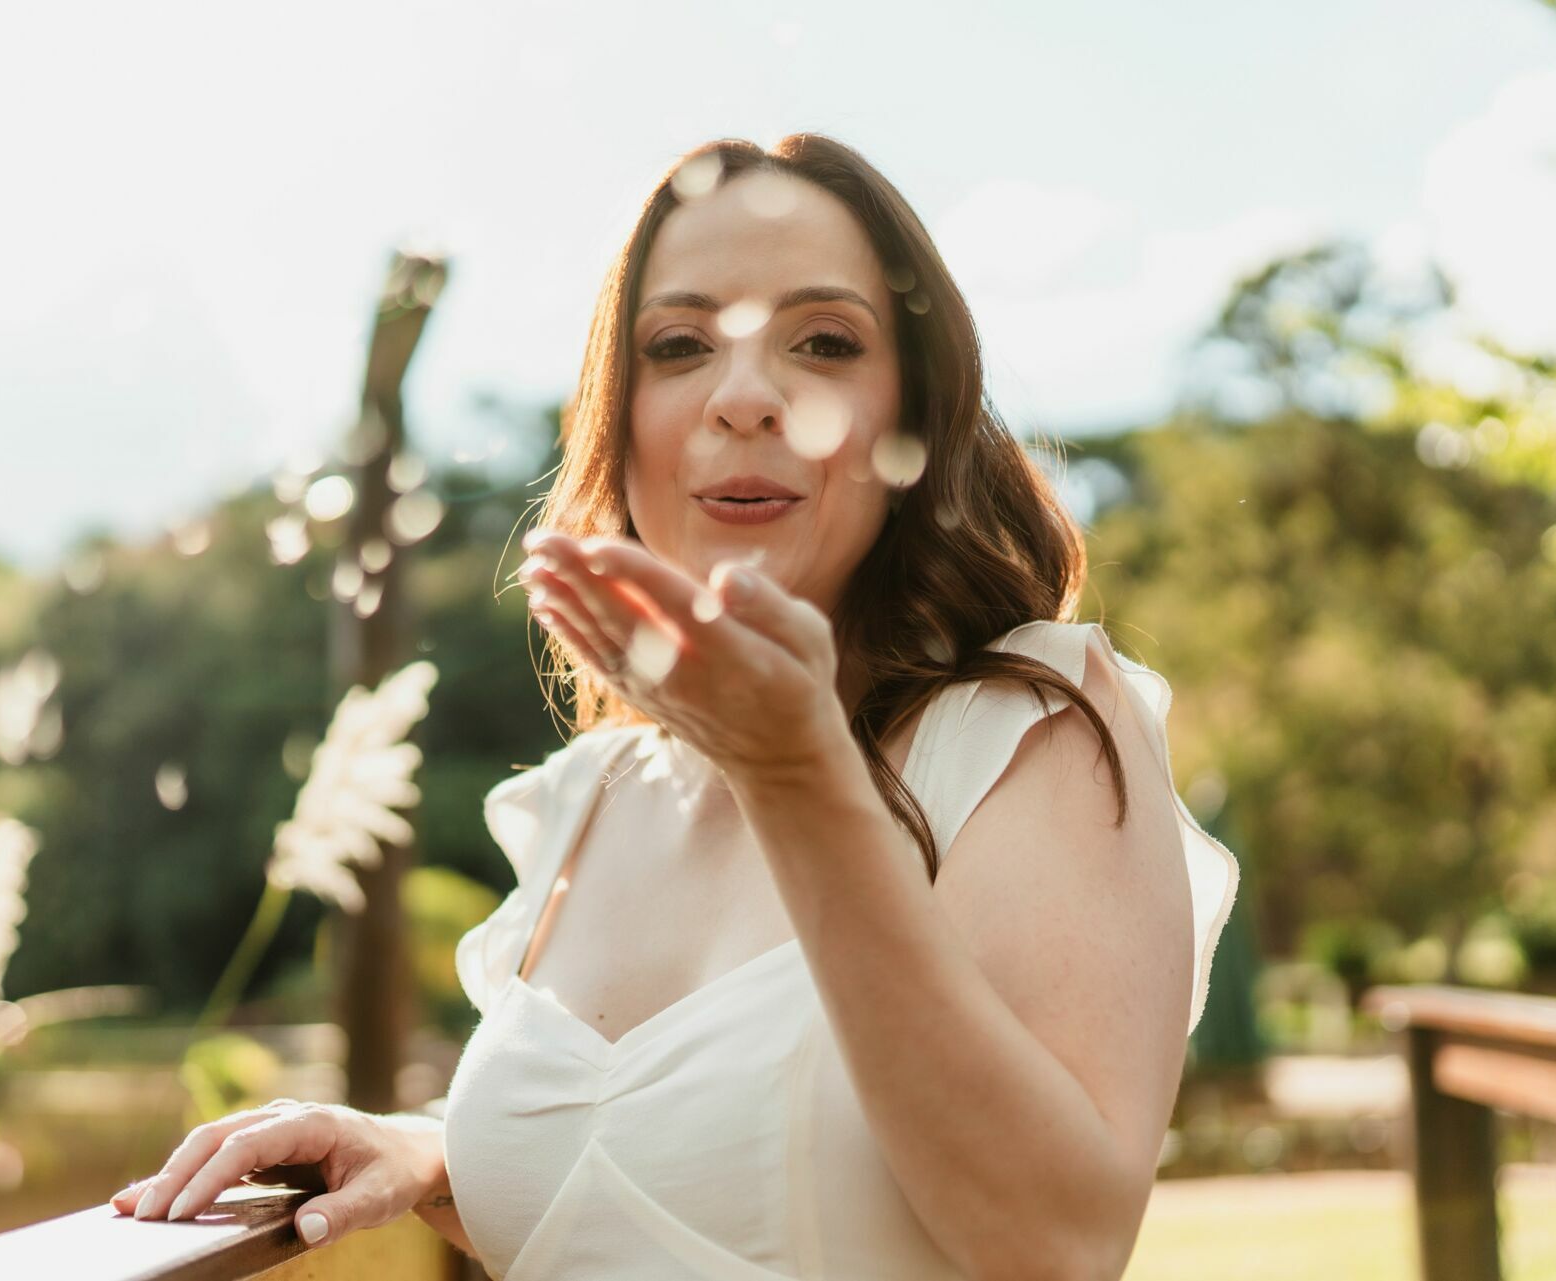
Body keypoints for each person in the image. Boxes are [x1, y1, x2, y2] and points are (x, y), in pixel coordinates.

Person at [111, 133, 1240, 1280]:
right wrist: (440, 1152)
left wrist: (797, 779)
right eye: (682, 344)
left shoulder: (1031, 736)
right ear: (621, 411)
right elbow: (673, 1176)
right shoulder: (590, 797)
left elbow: (1061, 1247)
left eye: (824, 341)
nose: (745, 397)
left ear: (914, 415)